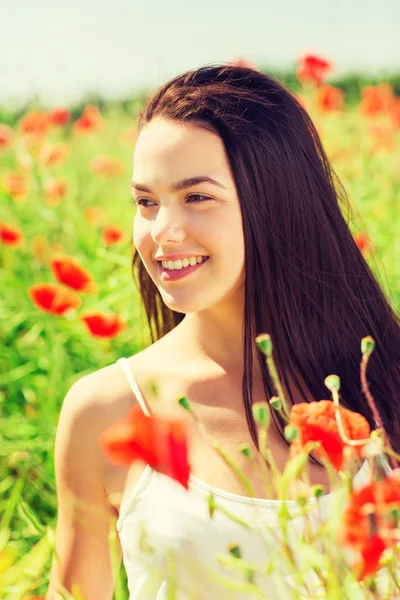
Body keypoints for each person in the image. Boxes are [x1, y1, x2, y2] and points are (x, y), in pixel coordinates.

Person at [46, 63, 400, 599]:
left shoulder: (385, 377)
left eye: (196, 197)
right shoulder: (108, 409)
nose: (161, 231)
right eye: (146, 201)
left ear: (277, 204)